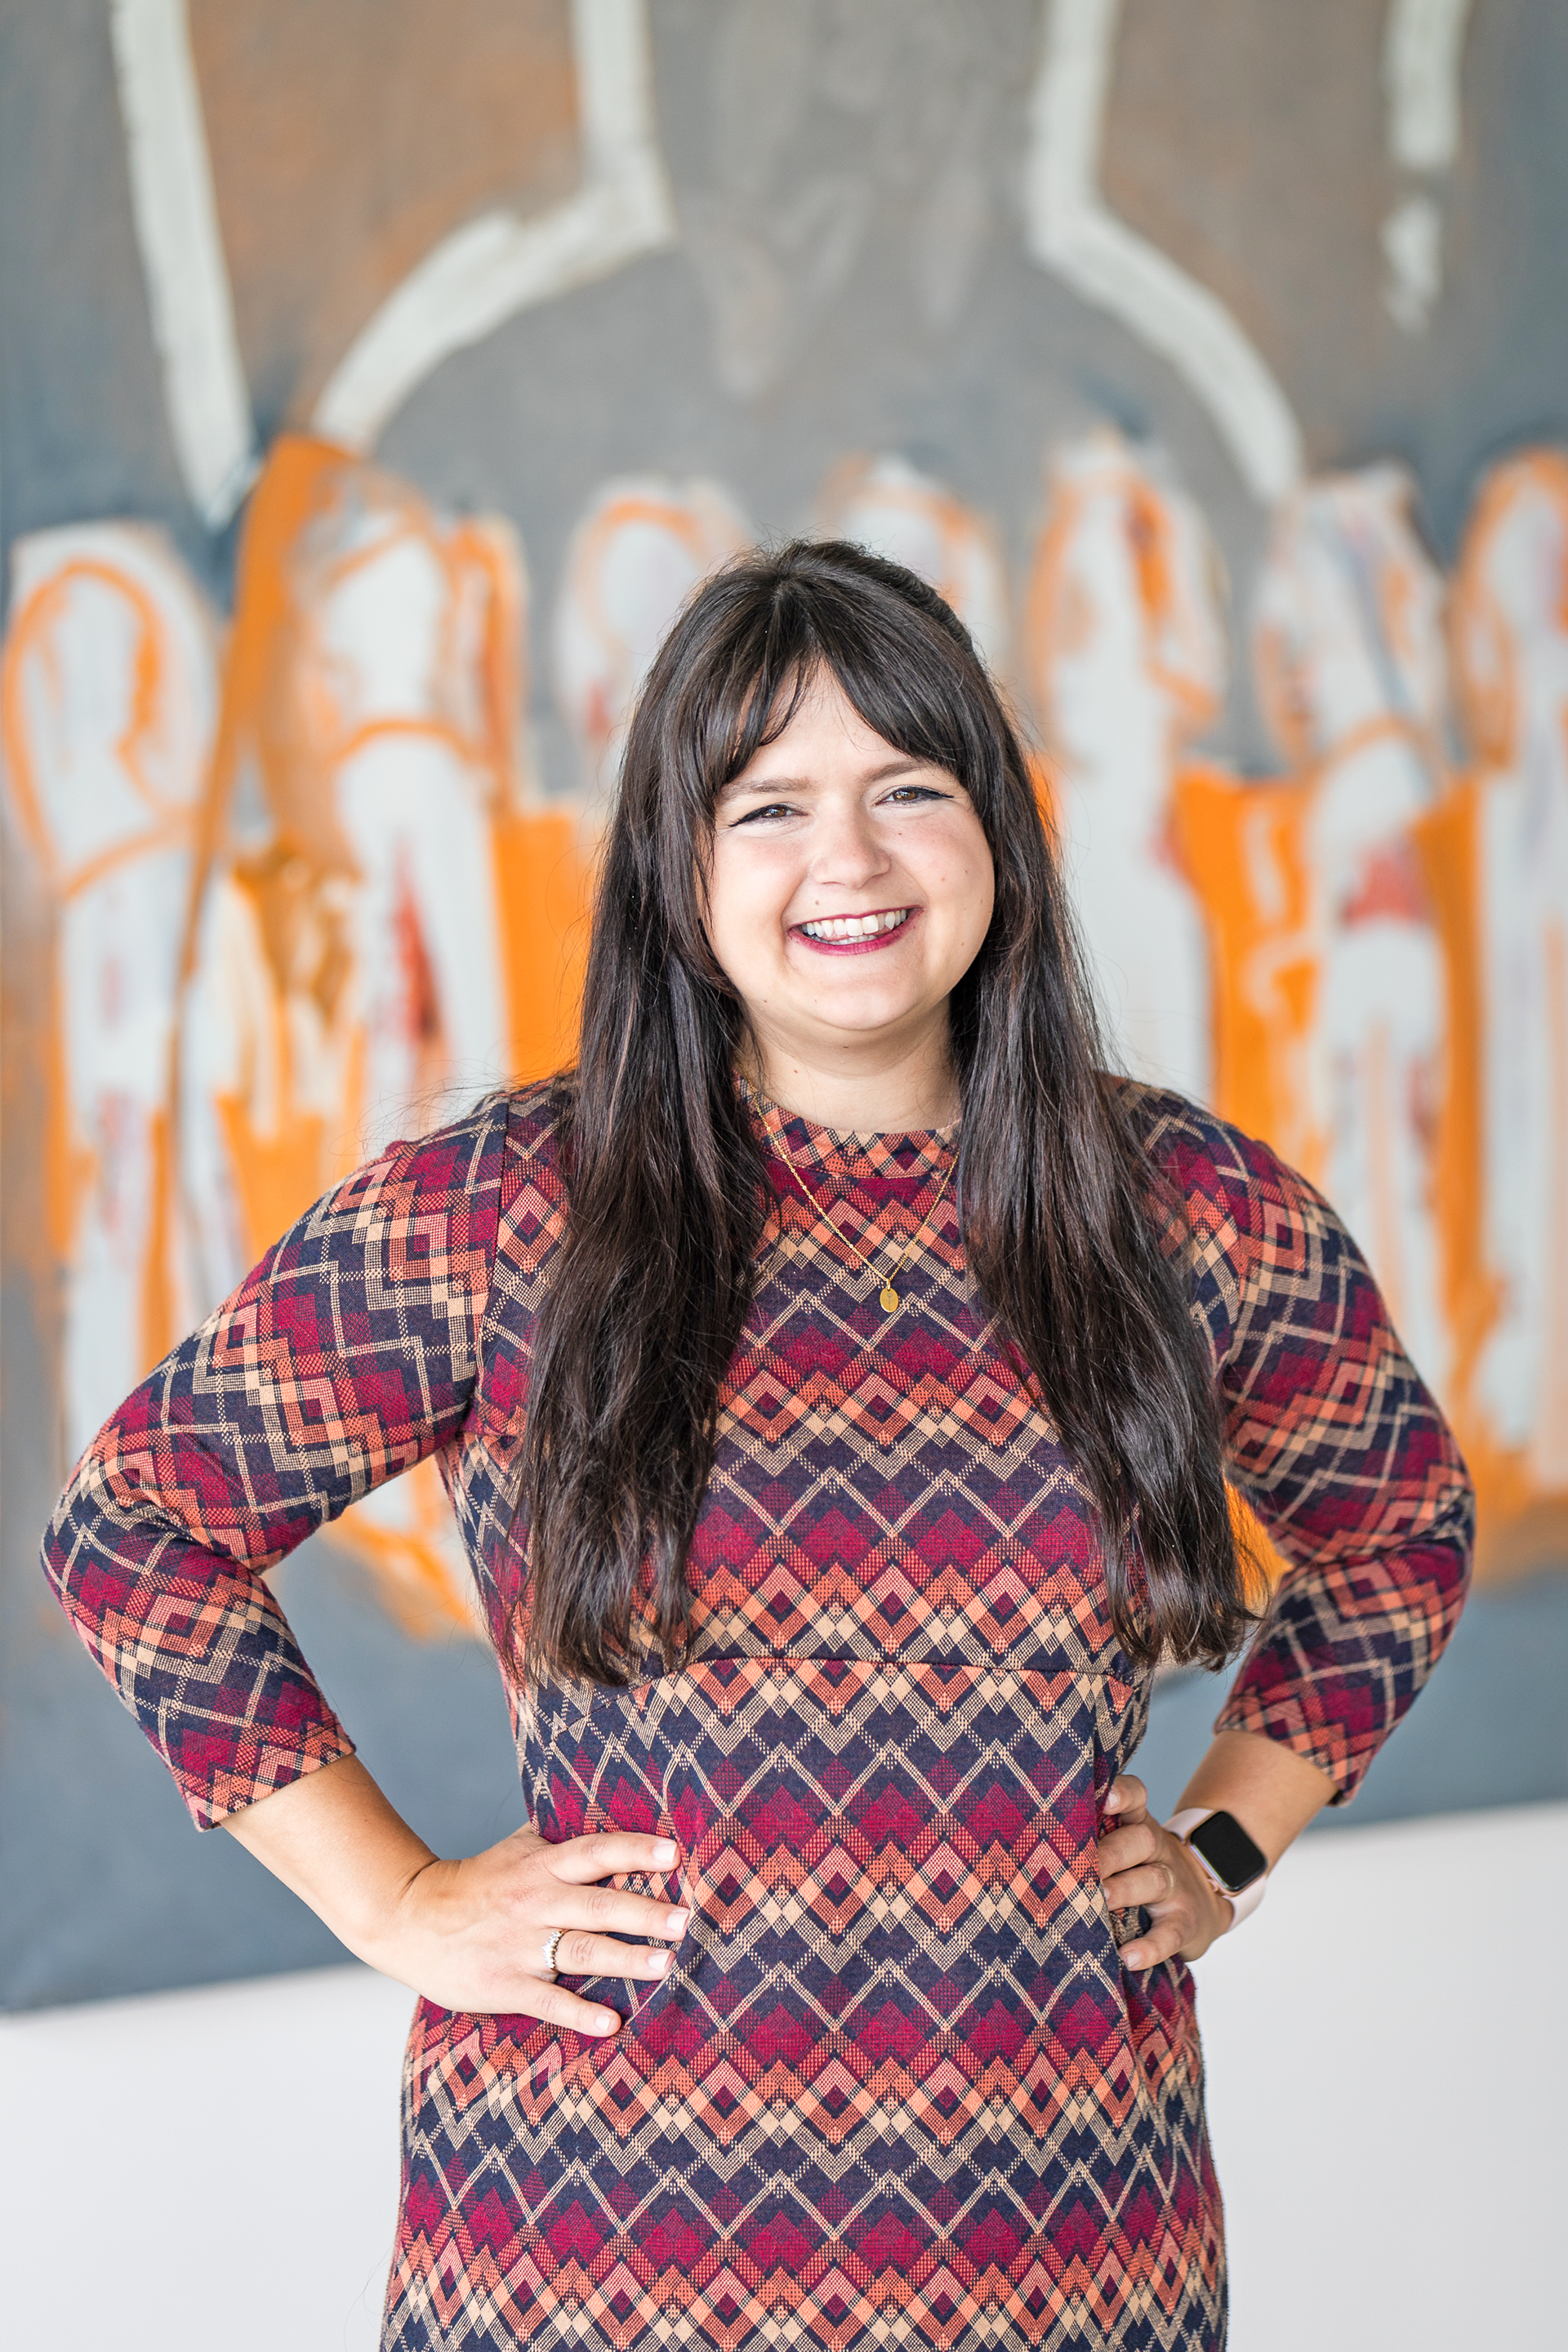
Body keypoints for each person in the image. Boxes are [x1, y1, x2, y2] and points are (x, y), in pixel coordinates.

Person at [43, 541, 1472, 2351]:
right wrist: (394, 1898)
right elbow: (138, 1528)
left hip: (1072, 2245)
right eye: (770, 805)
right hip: (595, 2255)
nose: (849, 861)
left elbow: (1403, 1527)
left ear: (999, 835)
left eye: (907, 790)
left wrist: (1228, 1846)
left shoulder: (1183, 1211)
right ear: (680, 867)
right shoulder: (501, 1211)